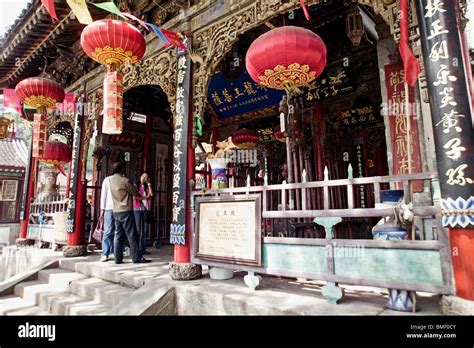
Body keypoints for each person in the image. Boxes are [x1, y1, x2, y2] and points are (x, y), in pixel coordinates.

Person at [109, 161, 150, 264]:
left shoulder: (110, 180)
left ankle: (117, 258)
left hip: (116, 210)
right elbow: (135, 192)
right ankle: (136, 257)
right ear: (122, 169)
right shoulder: (125, 181)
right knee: (132, 235)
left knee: (118, 235)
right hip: (126, 210)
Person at [133, 173, 153, 255]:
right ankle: (136, 248)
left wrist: (149, 184)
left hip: (146, 209)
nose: (144, 178)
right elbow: (135, 197)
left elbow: (151, 194)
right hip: (137, 209)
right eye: (143, 176)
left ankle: (143, 248)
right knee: (138, 230)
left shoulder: (146, 186)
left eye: (146, 177)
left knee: (144, 231)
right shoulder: (136, 185)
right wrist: (144, 197)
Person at [99, 175, 115, 262]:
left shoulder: (122, 180)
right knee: (108, 231)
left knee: (116, 231)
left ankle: (112, 251)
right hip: (109, 208)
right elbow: (103, 195)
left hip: (118, 208)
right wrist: (102, 208)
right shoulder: (107, 180)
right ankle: (105, 252)